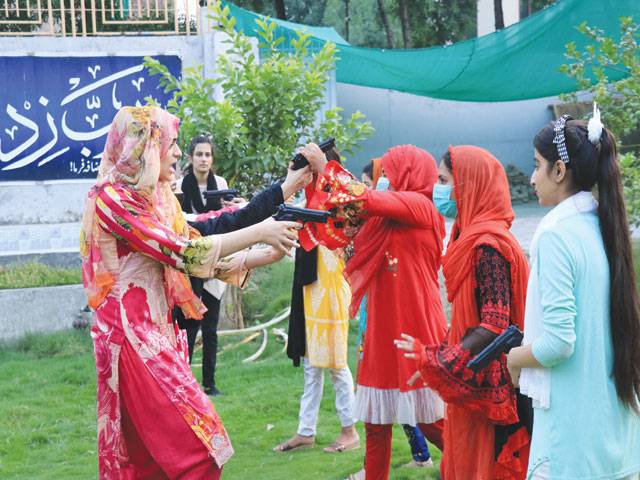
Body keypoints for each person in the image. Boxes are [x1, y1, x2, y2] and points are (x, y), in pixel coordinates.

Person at [81, 106, 300, 478]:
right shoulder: (113, 200)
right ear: (146, 147)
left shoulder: (154, 202)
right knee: (198, 454)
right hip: (133, 343)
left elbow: (209, 225)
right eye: (172, 143)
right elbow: (182, 252)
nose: (179, 153)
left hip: (156, 337)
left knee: (152, 462)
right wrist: (261, 233)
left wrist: (287, 189)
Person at [506, 110, 640, 479]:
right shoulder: (602, 225)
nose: (532, 178)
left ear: (559, 171)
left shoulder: (555, 234)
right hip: (618, 431)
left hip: (573, 439)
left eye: (537, 166)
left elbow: (558, 343)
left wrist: (513, 358)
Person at [301, 143, 447, 480]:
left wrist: (328, 168)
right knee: (376, 426)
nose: (386, 179)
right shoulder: (386, 219)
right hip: (383, 329)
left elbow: (365, 199)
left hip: (415, 327)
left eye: (391, 173)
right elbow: (343, 222)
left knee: (431, 422)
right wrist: (313, 182)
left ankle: (474, 469)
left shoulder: (420, 206)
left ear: (409, 174)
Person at [395, 145, 532, 480]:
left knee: (480, 466)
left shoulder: (489, 245)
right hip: (472, 381)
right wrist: (439, 355)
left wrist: (441, 363)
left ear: (469, 184)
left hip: (486, 386)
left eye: (444, 180)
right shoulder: (471, 237)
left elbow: (494, 324)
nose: (438, 190)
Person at [175, 135, 312, 395]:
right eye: (170, 146)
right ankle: (185, 383)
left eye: (207, 154)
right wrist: (259, 227)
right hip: (190, 269)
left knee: (209, 326)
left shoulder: (216, 187)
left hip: (210, 262)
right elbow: (198, 236)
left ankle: (207, 383)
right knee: (188, 328)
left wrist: (263, 238)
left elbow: (215, 225)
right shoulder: (173, 197)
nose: (177, 152)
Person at [274, 147, 360, 454]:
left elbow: (351, 205)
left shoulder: (339, 196)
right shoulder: (308, 202)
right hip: (312, 285)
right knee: (312, 363)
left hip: (332, 283)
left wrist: (324, 172)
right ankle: (305, 431)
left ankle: (349, 431)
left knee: (336, 362)